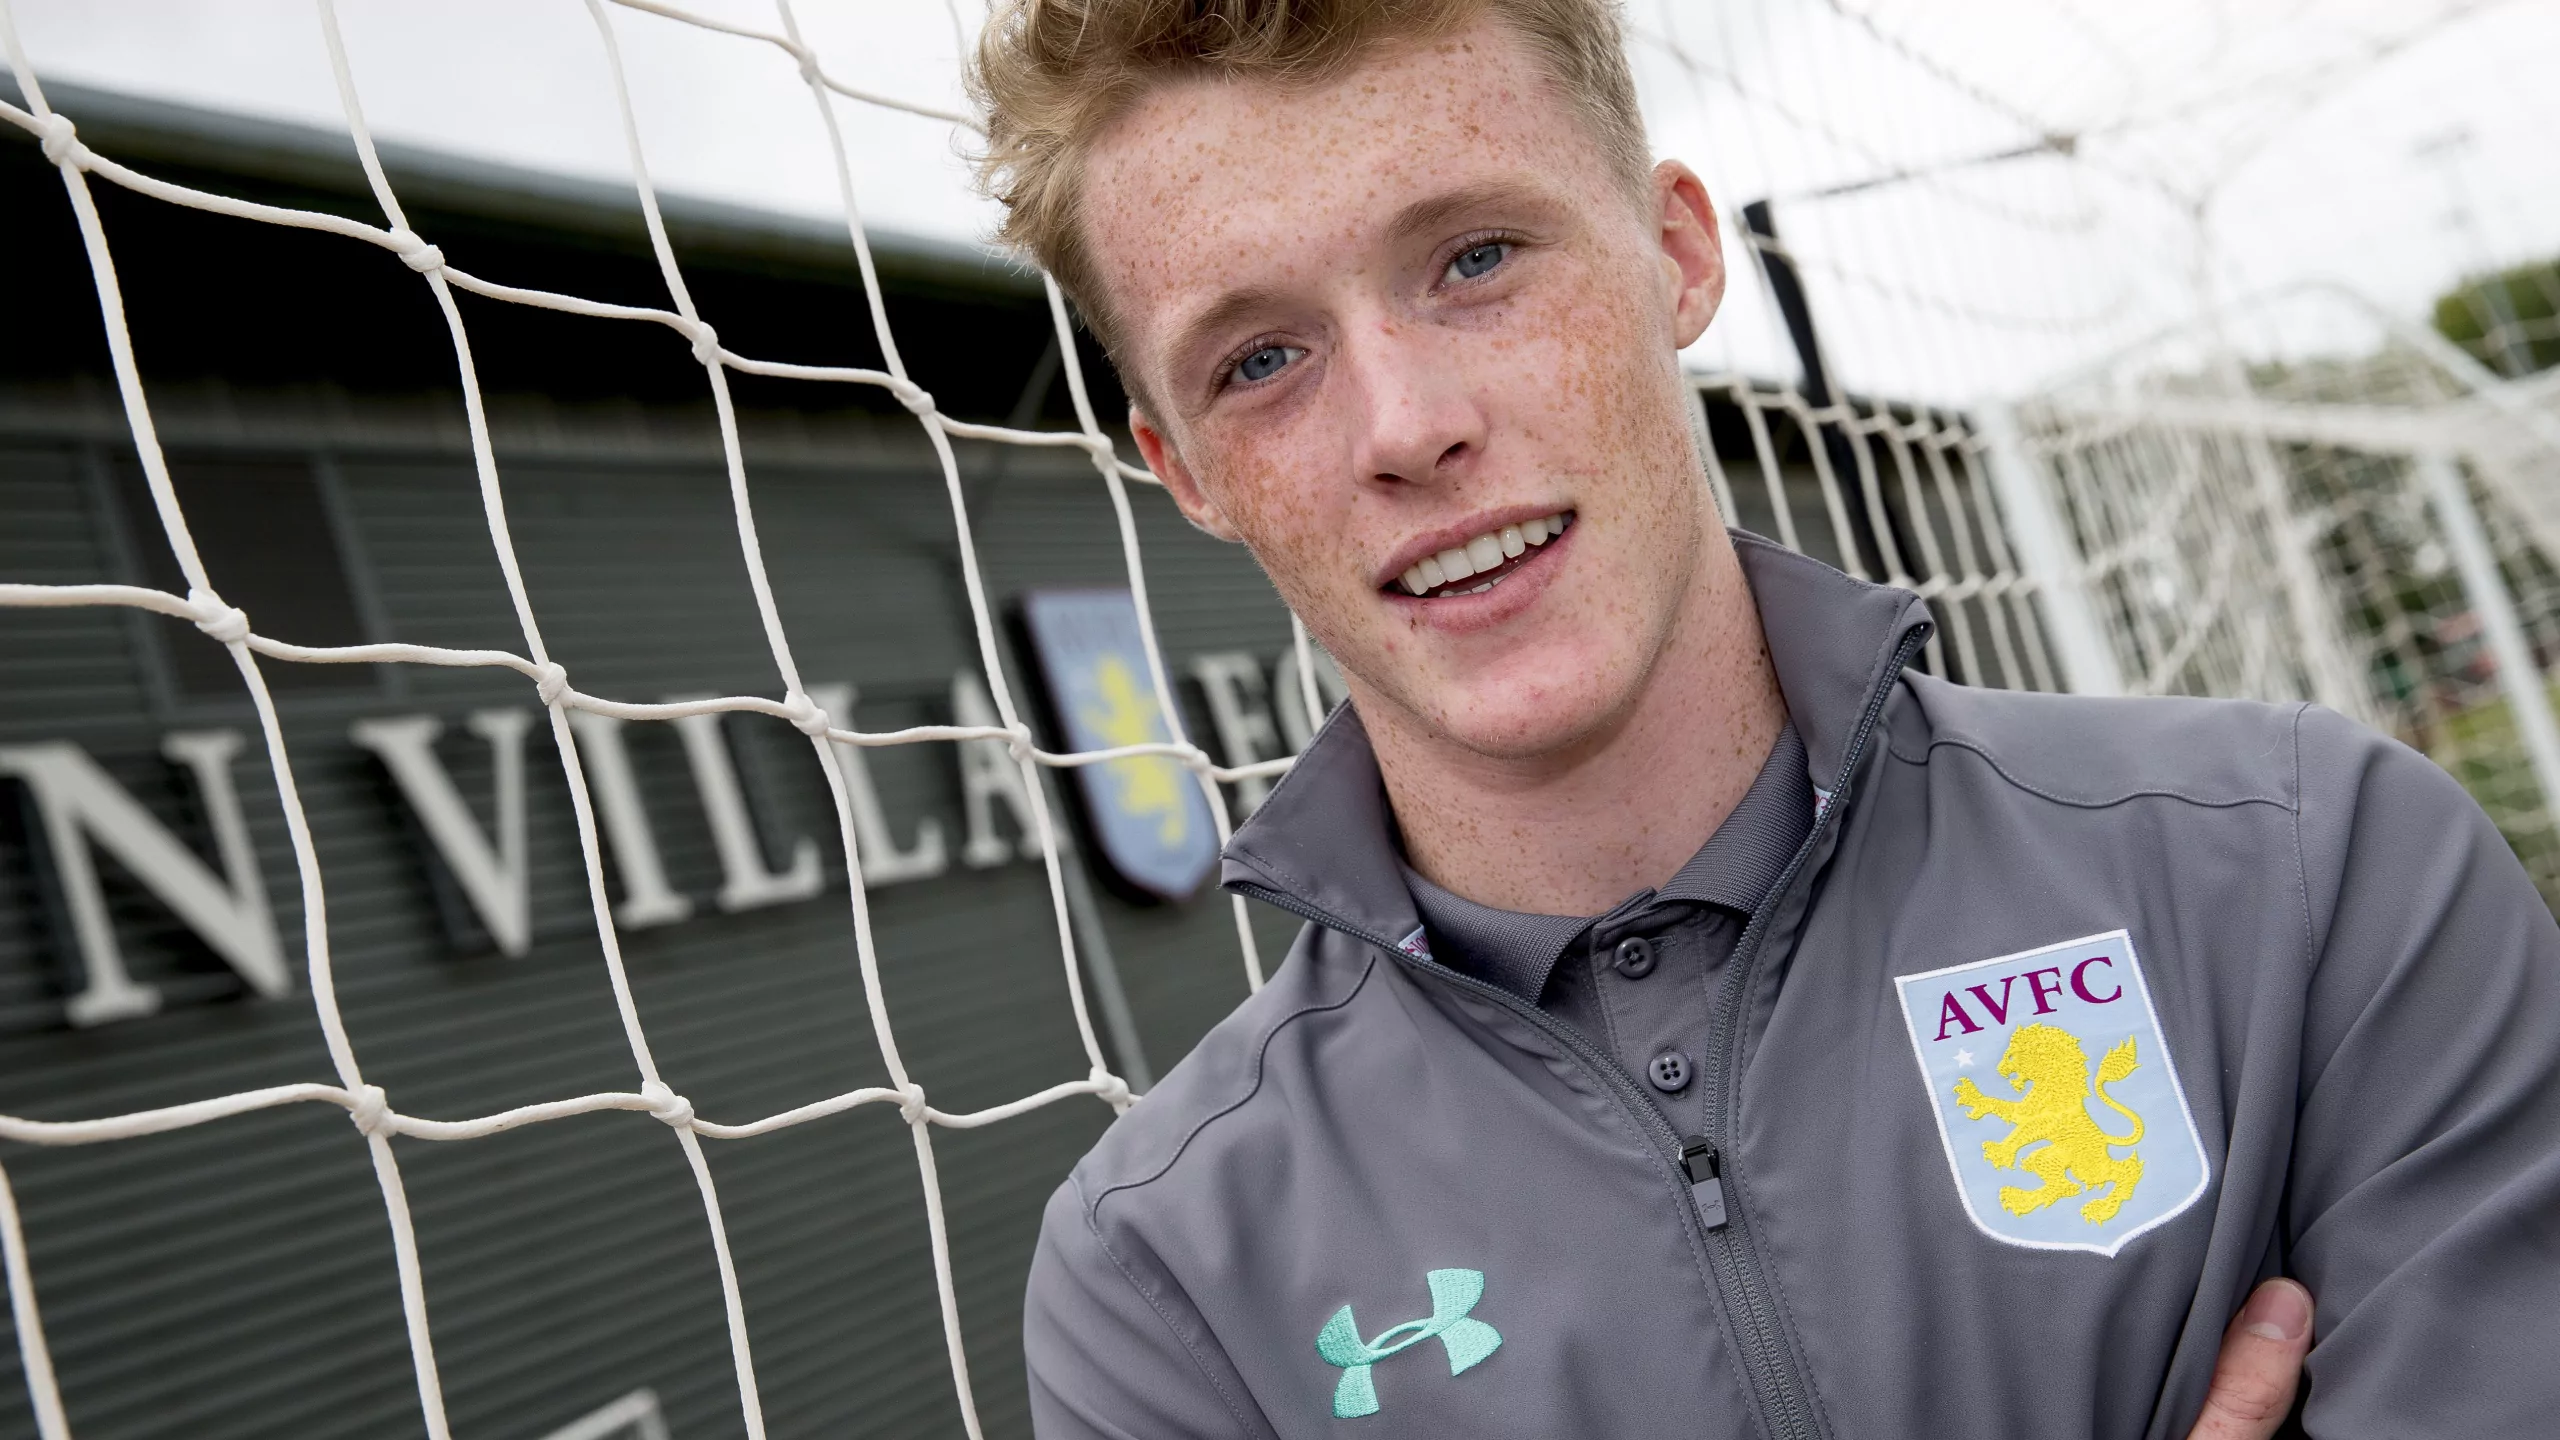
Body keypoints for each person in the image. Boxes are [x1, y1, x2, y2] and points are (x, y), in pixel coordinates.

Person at [967, 2, 2560, 1436]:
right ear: (1183, 471)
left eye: (1477, 259)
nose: (1408, 426)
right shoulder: (1164, 1290)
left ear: (1677, 255)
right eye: (1259, 359)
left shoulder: (2308, 874)